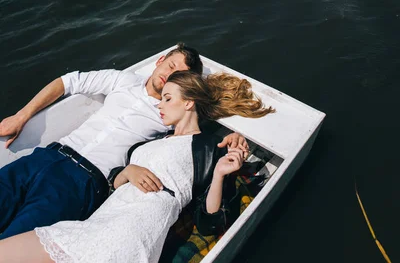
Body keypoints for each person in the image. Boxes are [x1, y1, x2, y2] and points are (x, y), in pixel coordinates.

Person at [0, 70, 274, 263]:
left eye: (167, 99)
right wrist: (126, 172)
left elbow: (211, 221)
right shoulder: (144, 145)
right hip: (97, 222)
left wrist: (218, 175)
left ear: (189, 103)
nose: (160, 106)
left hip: (132, 231)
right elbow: (113, 185)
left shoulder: (209, 148)